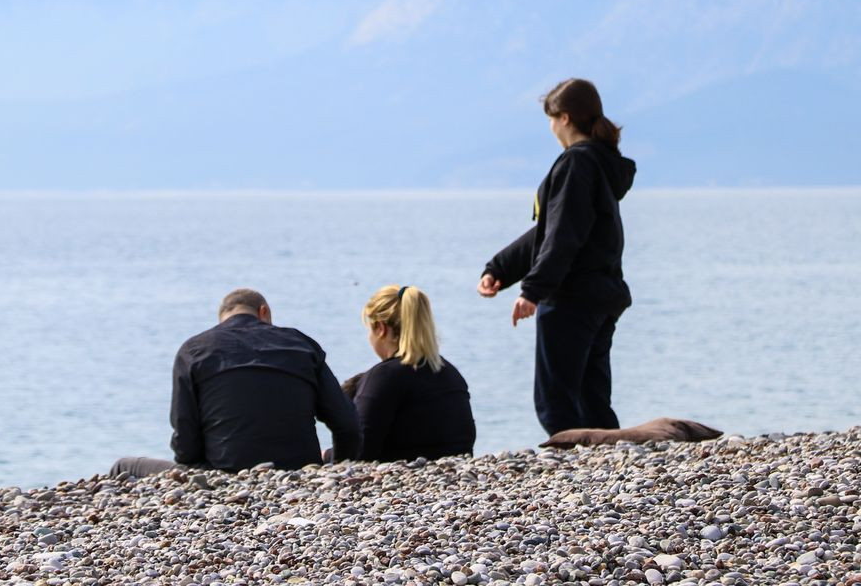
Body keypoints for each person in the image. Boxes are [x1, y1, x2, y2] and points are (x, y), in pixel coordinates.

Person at [478, 78, 636, 436]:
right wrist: (501, 268)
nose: (550, 127)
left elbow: (563, 236)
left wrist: (533, 290)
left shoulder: (575, 165)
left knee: (557, 401)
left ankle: (573, 472)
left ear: (564, 118)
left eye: (551, 119)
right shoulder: (600, 163)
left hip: (571, 296)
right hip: (602, 293)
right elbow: (550, 230)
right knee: (591, 397)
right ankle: (610, 465)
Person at [110, 288, 360, 478]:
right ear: (263, 312)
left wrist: (206, 466)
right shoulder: (301, 345)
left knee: (123, 466)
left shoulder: (194, 349)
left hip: (222, 472)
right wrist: (334, 468)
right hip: (299, 469)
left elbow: (185, 438)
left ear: (222, 320)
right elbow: (347, 425)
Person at [350, 284, 475, 460]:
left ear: (381, 328)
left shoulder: (383, 377)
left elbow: (359, 452)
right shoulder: (450, 373)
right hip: (461, 476)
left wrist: (329, 455)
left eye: (370, 329)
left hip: (401, 480)